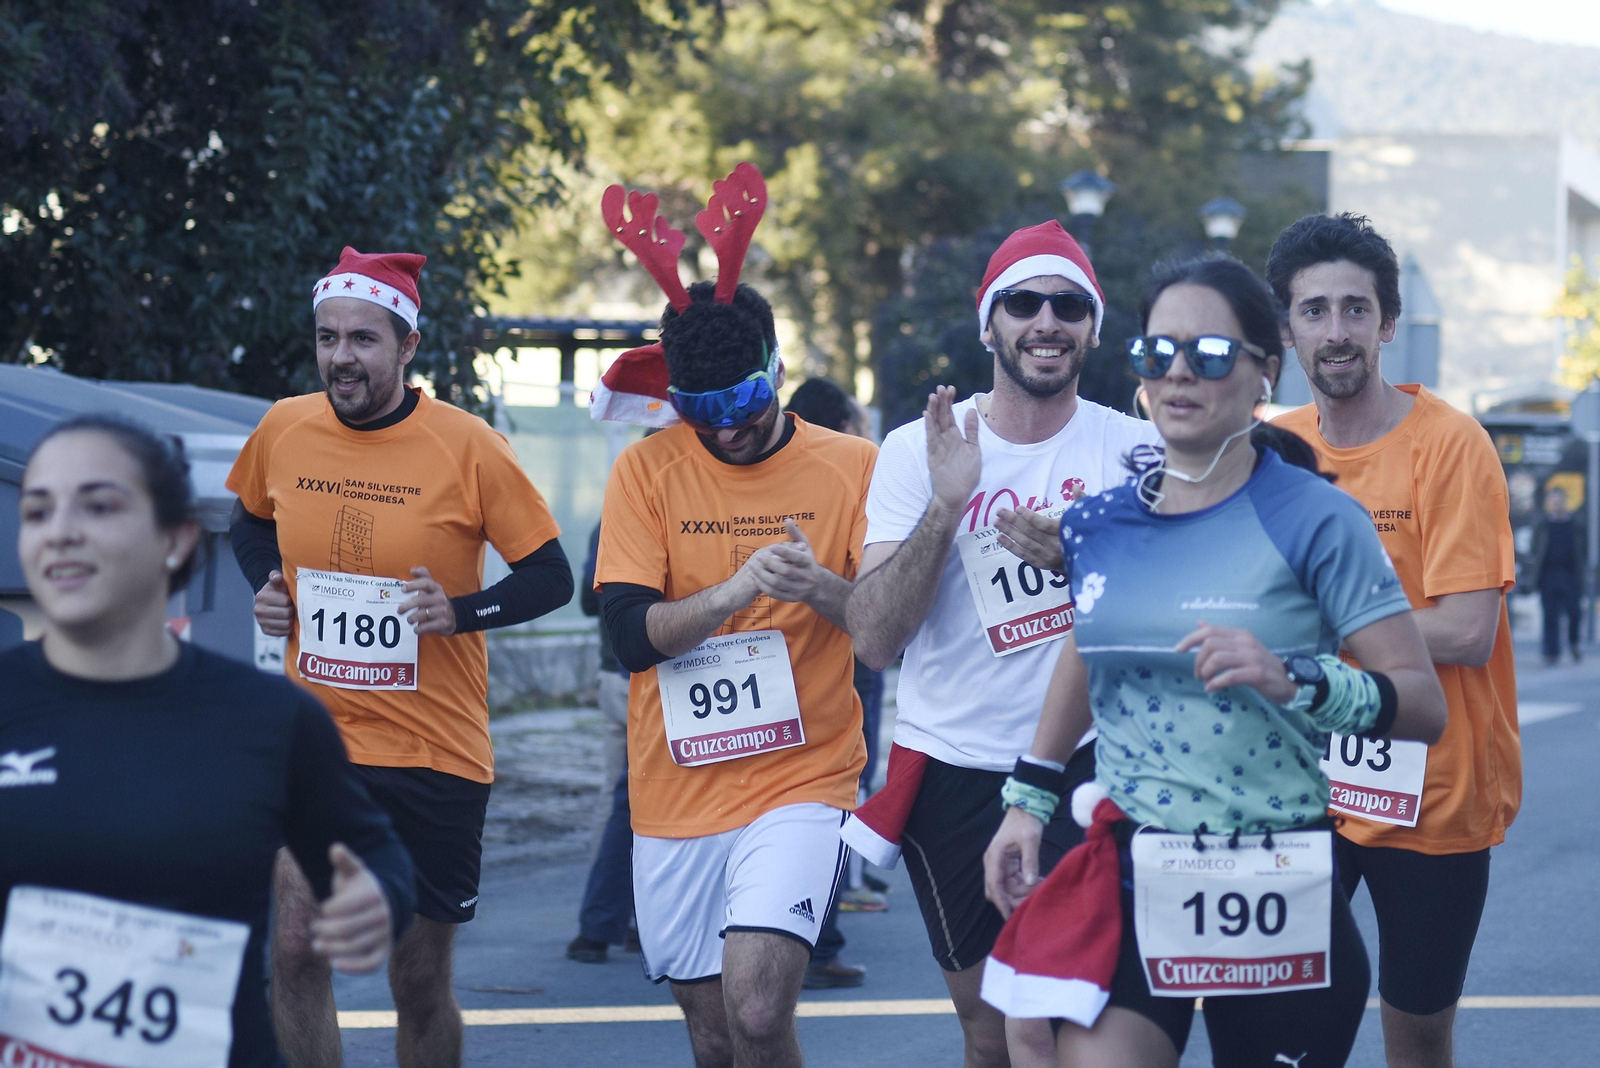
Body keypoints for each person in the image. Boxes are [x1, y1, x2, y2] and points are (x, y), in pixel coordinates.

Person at [980, 254, 1447, 1067]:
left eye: (1211, 354)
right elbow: (1090, 652)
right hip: (1136, 862)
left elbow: (1423, 706)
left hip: (1277, 874)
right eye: (1158, 354)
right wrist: (1027, 798)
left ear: (1264, 371)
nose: (1180, 374)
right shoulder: (1098, 524)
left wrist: (1298, 678)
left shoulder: (1320, 519)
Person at [227, 247, 574, 1068]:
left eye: (363, 339)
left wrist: (459, 612)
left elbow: (551, 576)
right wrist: (268, 581)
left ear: (408, 346)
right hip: (317, 741)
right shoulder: (284, 426)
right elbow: (247, 521)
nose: (341, 357)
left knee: (416, 979)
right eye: (327, 338)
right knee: (296, 951)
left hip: (435, 753)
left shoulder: (470, 446)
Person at [2, 414, 414, 1068]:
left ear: (175, 538)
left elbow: (375, 857)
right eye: (37, 511)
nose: (61, 532)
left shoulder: (270, 719)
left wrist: (376, 899)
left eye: (99, 505)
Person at [844, 220, 1157, 1067]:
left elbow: (1178, 615)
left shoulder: (1135, 450)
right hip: (951, 768)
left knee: (1060, 1024)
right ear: (990, 323)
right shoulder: (918, 450)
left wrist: (1086, 550)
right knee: (990, 1035)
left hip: (1088, 762)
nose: (1045, 320)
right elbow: (874, 639)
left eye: (1068, 304)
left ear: (1093, 328)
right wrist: (948, 507)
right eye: (1023, 302)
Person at [593, 164, 875, 1068]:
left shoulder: (854, 468)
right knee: (715, 1036)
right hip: (675, 789)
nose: (727, 430)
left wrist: (816, 591)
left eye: (746, 402)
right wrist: (738, 589)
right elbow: (629, 639)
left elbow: (884, 628)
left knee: (756, 1012)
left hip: (804, 779)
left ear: (777, 371)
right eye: (699, 411)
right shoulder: (647, 470)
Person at [1270, 213, 1520, 1068]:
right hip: (1304, 787)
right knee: (1293, 1029)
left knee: (1414, 1035)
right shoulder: (1275, 452)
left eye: (1354, 309)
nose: (1335, 332)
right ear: (1286, 327)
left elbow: (1464, 626)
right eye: (1314, 311)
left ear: (1387, 322)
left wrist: (1310, 623)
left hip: (1434, 790)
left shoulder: (1452, 446)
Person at [784, 377, 881, 991]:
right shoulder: (851, 470)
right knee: (841, 793)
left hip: (796, 666)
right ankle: (821, 942)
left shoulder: (829, 468)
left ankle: (817, 938)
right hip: (838, 664)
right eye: (856, 420)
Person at [567, 520, 638, 963]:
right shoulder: (669, 509)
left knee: (616, 799)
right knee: (640, 800)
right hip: (646, 677)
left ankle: (602, 921)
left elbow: (588, 602)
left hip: (615, 673)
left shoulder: (609, 518)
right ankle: (629, 919)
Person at [1529, 485, 1584, 665]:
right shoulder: (1543, 525)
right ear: (1548, 503)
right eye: (1553, 501)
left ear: (1565, 502)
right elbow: (1535, 550)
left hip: (1570, 577)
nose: (1556, 504)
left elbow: (1582, 551)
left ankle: (1574, 643)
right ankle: (1551, 652)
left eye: (1559, 501)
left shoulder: (1575, 524)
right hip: (1548, 577)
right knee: (1550, 616)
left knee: (1574, 614)